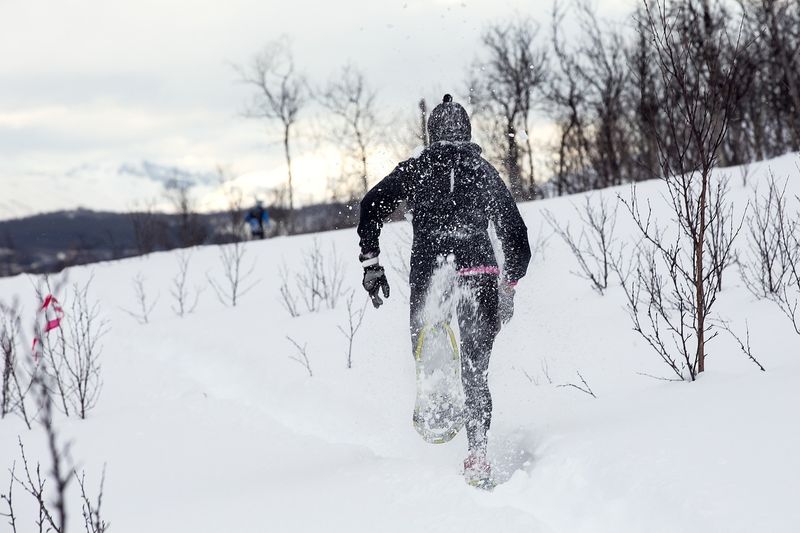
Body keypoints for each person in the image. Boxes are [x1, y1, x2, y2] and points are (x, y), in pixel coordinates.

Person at [356, 94, 531, 486]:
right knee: (476, 371)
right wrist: (509, 285)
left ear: (431, 134)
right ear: (466, 132)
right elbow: (515, 235)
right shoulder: (482, 170)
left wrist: (372, 264)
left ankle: (442, 402)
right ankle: (478, 454)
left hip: (432, 279)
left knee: (429, 349)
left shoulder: (415, 171)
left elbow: (370, 206)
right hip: (481, 274)